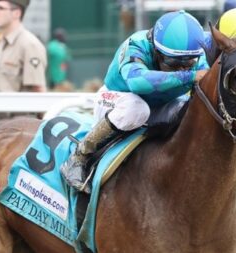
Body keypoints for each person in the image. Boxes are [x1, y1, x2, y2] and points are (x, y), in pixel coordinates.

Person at [61, 10, 208, 192]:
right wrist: (191, 75)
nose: (182, 67)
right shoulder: (136, 44)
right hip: (117, 102)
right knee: (137, 109)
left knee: (187, 108)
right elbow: (137, 82)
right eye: (173, 62)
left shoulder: (199, 51)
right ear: (156, 50)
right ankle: (79, 156)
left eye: (190, 62)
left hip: (159, 106)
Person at [0, 0, 47, 120]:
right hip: (3, 122)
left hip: (22, 126)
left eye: (0, 8)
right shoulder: (1, 45)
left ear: (16, 13)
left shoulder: (29, 44)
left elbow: (38, 89)